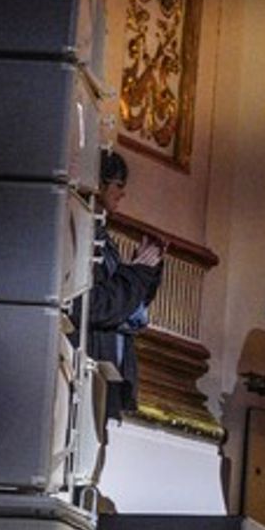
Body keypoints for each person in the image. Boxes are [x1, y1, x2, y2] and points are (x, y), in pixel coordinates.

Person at [79, 149, 163, 425]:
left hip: (106, 373)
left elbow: (124, 306)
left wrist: (146, 274)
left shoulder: (104, 239)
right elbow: (98, 305)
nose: (122, 193)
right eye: (119, 185)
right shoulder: (81, 235)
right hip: (88, 367)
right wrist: (135, 274)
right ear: (99, 182)